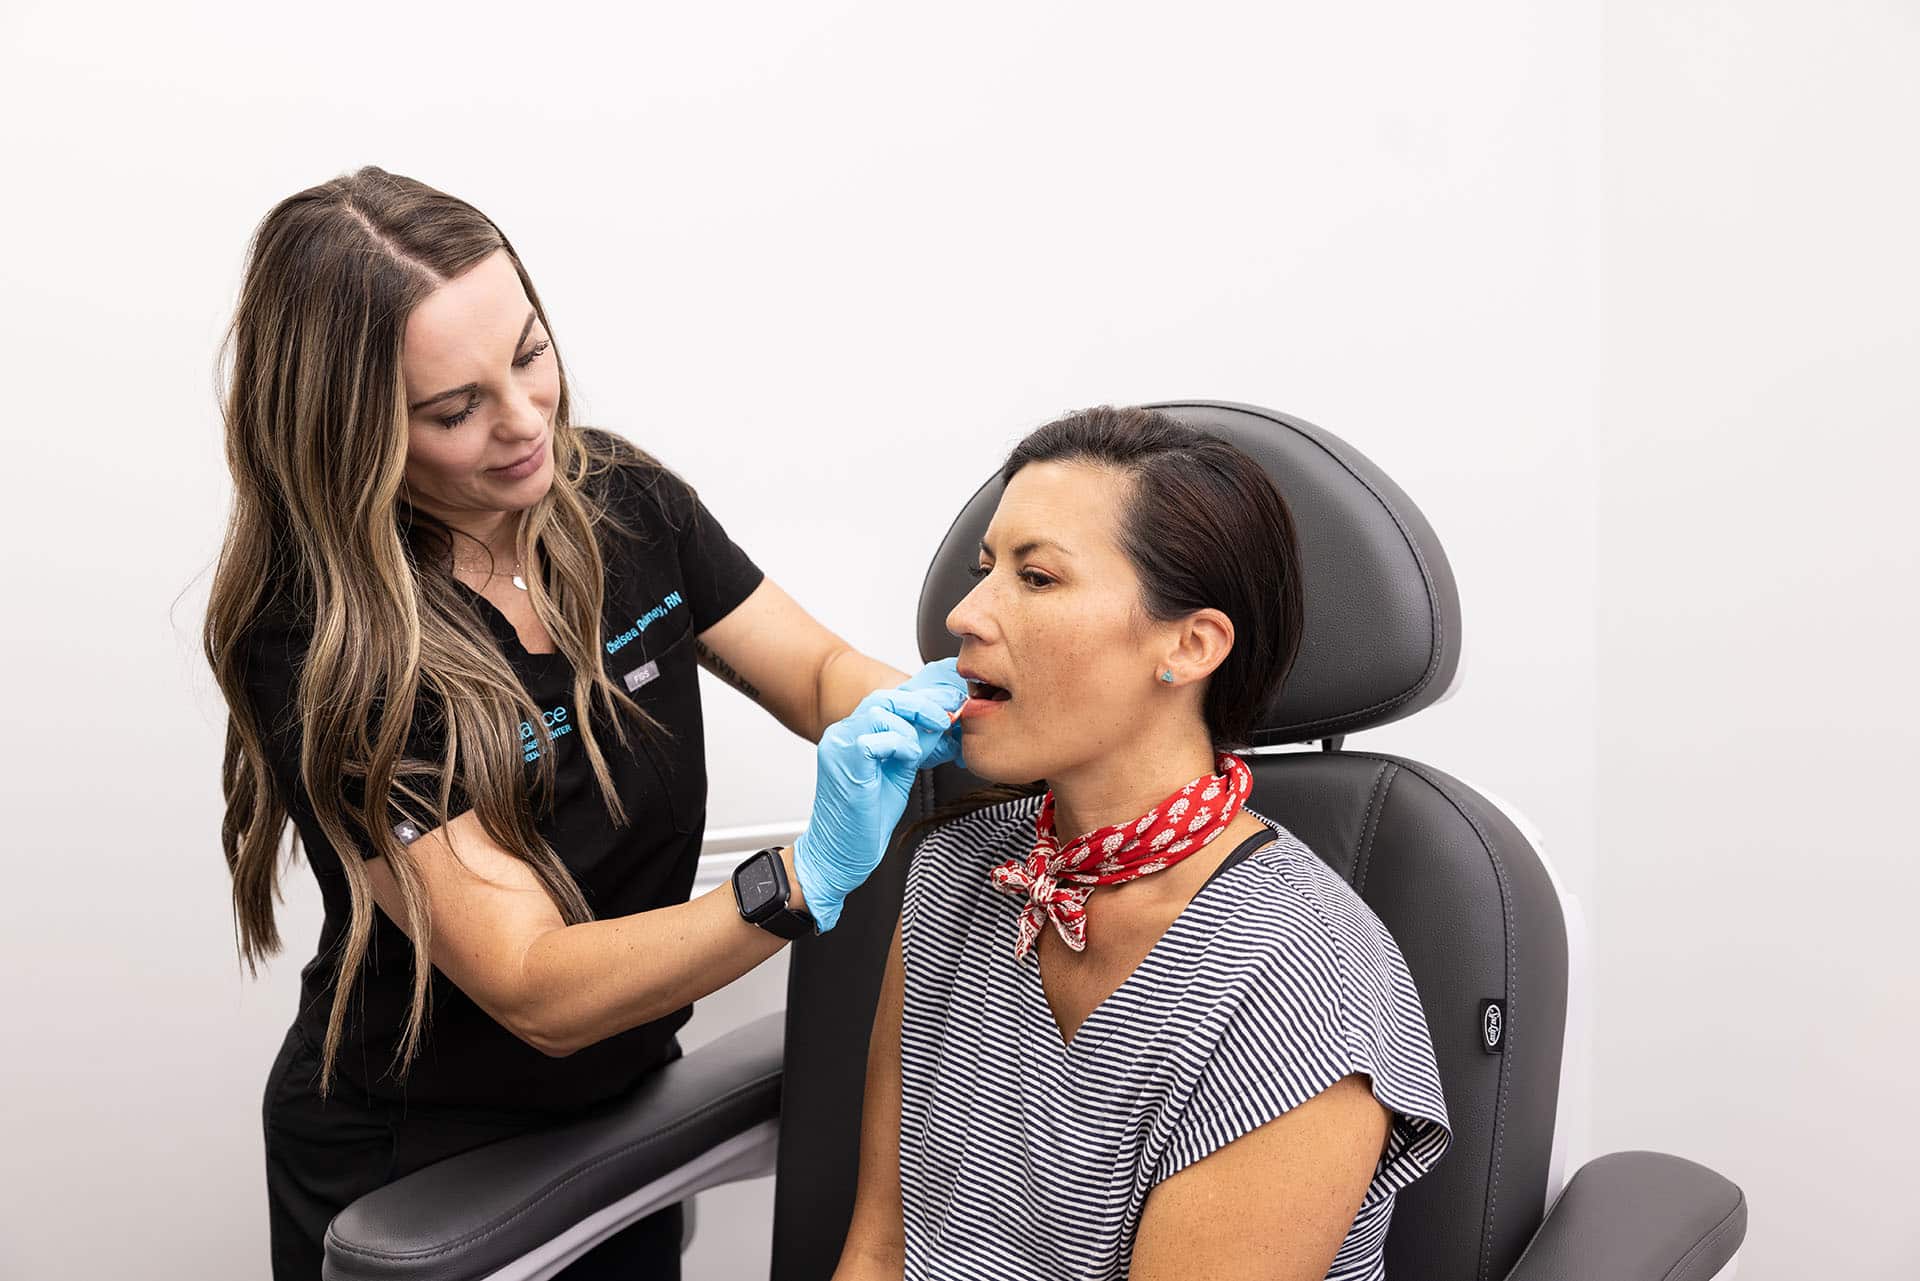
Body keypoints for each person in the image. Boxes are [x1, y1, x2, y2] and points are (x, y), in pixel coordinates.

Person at [202, 165, 966, 1280]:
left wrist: (963, 716)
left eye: (529, 355)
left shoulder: (622, 500)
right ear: (353, 432)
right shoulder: (326, 643)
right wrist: (797, 881)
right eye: (455, 410)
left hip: (623, 1106)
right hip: (419, 1156)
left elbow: (815, 672)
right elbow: (535, 985)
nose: (526, 424)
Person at [832, 407, 1454, 1281]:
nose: (966, 615)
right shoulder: (958, 870)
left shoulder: (1298, 983)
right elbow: (880, 1250)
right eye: (984, 571)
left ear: (1189, 644)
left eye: (1037, 578)